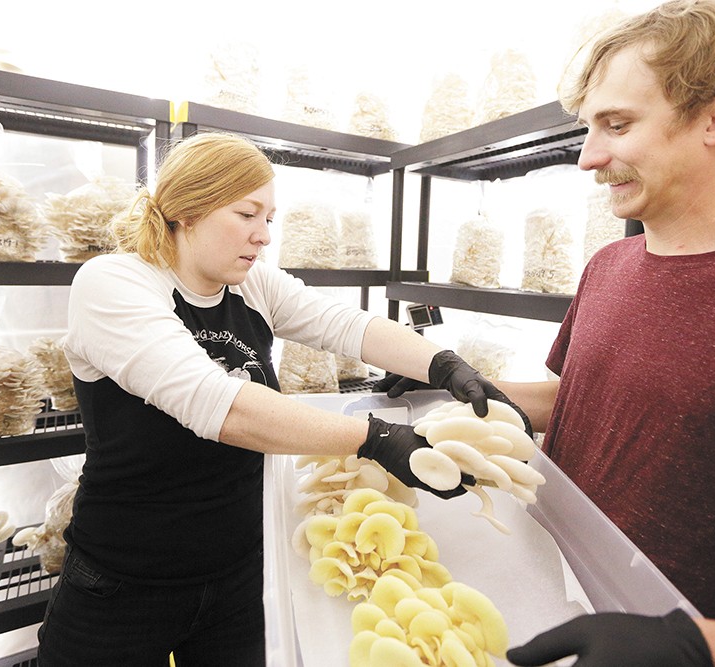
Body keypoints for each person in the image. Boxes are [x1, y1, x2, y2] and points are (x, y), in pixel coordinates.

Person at [381, 1, 715, 664]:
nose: (587, 157)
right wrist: (462, 386)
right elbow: (587, 400)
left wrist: (697, 646)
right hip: (539, 606)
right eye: (588, 128)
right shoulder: (610, 265)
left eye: (617, 125)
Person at [35, 131, 520, 666]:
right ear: (187, 210)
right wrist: (375, 439)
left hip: (240, 574)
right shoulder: (114, 282)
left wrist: (441, 363)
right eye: (247, 214)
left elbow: (344, 324)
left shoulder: (252, 285)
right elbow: (220, 406)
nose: (264, 235)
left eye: (270, 218)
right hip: (121, 582)